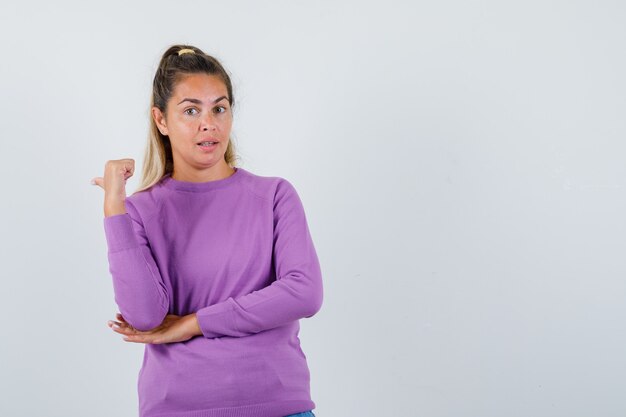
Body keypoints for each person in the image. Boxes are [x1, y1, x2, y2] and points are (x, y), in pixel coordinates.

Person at [91, 44, 322, 417]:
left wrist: (192, 324)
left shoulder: (274, 195)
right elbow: (145, 318)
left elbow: (304, 292)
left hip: (278, 406)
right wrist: (114, 208)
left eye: (219, 108)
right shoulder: (140, 211)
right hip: (178, 408)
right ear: (161, 120)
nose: (209, 124)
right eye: (191, 110)